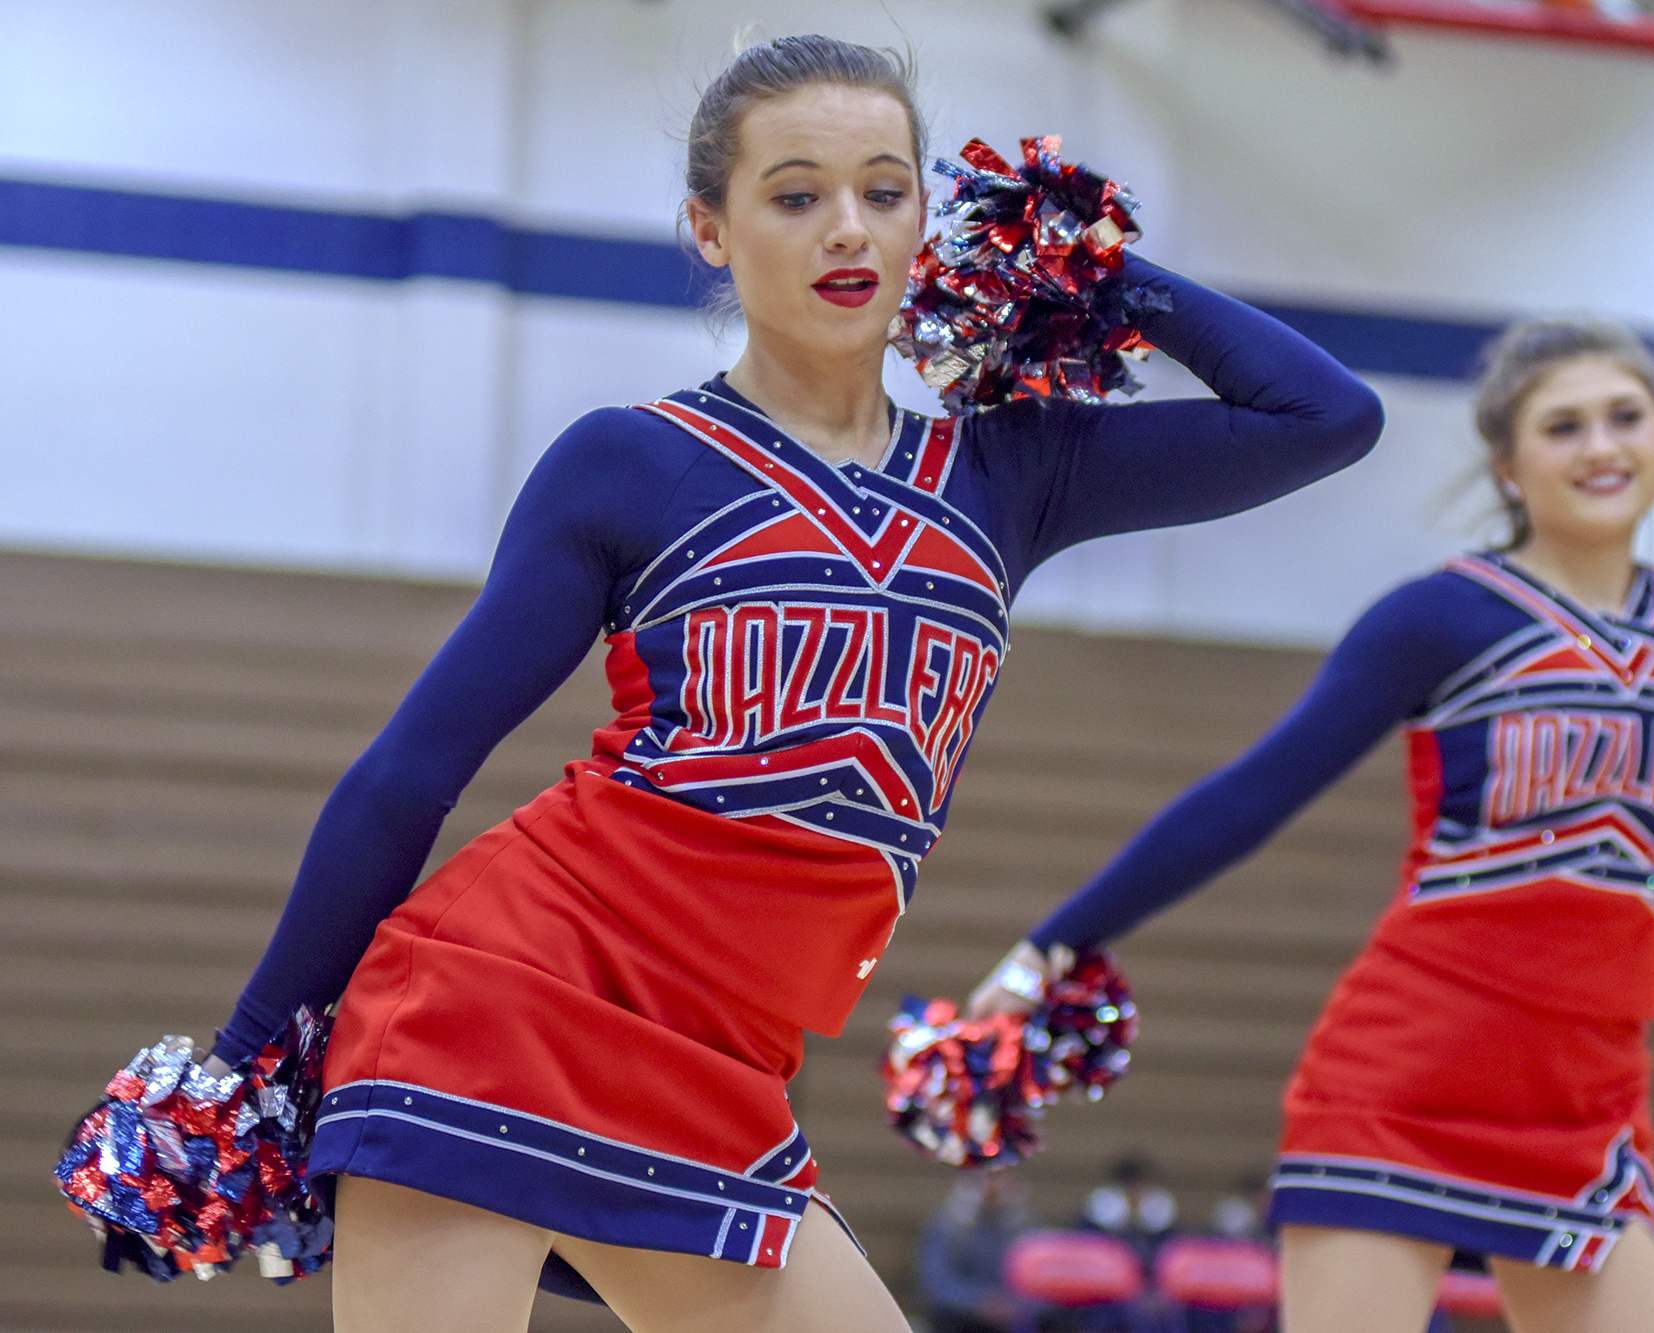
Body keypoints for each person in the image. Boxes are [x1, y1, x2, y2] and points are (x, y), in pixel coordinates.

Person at [186, 32, 1384, 1333]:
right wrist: (249, 1058)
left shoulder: (1011, 474)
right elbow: (413, 771)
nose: (847, 228)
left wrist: (1087, 259)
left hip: (723, 1071)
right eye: (795, 193)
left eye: (886, 188)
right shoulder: (632, 465)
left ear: (933, 215)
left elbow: (1325, 418)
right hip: (499, 1003)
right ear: (710, 227)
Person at [968, 319, 1654, 1333]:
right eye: (1562, 426)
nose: (1598, 446)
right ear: (1507, 466)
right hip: (1403, 1084)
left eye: (1624, 418)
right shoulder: (1443, 618)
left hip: (1588, 1103)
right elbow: (1253, 792)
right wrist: (1048, 946)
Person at [917, 1174, 1034, 1333]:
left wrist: (1012, 1305)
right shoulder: (948, 1226)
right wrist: (979, 1301)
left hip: (1011, 1316)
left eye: (999, 1178)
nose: (993, 1187)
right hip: (962, 1318)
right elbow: (936, 1281)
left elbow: (1042, 1287)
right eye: (987, 1177)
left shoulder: (1025, 1226)